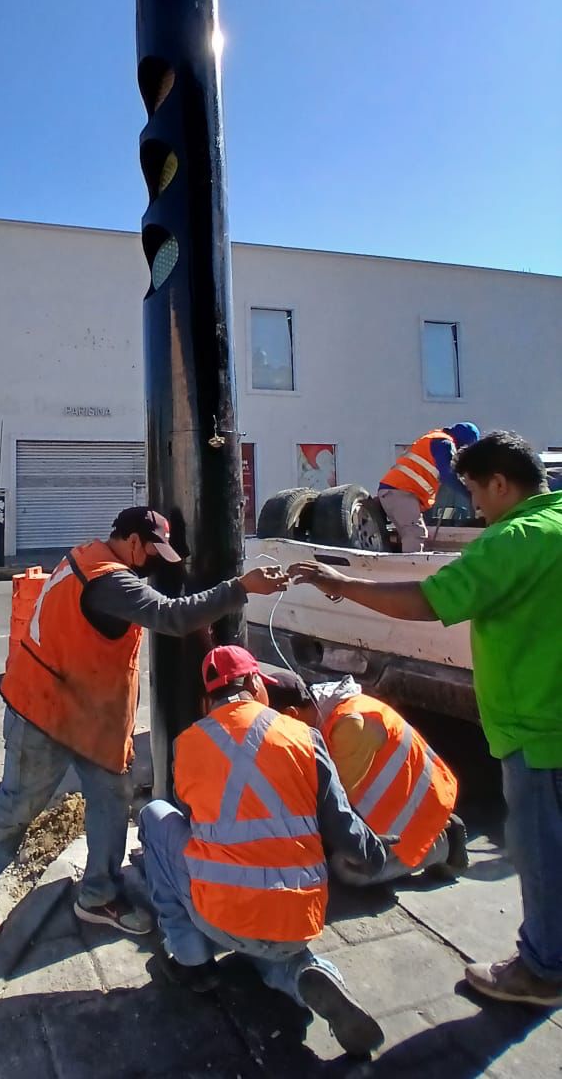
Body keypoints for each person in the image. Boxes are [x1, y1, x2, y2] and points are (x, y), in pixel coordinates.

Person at [290, 431, 562, 1008]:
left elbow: (425, 602)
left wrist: (338, 583)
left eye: (474, 492)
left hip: (539, 731)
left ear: (500, 482)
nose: (473, 507)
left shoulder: (513, 540)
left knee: (540, 852)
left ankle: (542, 971)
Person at [0, 506, 288, 937]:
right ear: (133, 542)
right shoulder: (110, 581)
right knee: (19, 803)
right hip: (43, 707)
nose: (154, 563)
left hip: (86, 710)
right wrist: (241, 587)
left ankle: (98, 895)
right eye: (153, 552)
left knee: (112, 798)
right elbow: (172, 617)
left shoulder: (90, 554)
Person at [138, 646, 389, 1057]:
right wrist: (377, 856)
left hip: (218, 913)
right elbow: (343, 826)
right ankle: (309, 974)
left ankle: (191, 958)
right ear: (256, 683)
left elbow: (192, 821)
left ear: (209, 699)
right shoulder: (303, 736)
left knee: (155, 815)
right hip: (298, 916)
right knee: (277, 949)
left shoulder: (187, 744)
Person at [274, 675, 467, 885]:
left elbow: (333, 804)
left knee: (347, 867)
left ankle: (445, 843)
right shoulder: (324, 713)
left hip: (419, 814)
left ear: (290, 714)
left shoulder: (349, 726)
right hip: (397, 808)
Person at [379, 422, 480, 551]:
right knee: (415, 533)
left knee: (408, 534)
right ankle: (413, 569)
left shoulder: (434, 438)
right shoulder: (444, 443)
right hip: (401, 491)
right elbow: (448, 475)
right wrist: (471, 495)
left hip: (396, 491)